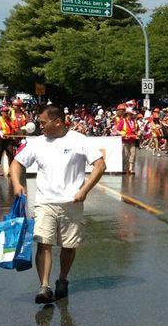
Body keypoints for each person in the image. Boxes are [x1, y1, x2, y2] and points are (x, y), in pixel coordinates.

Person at [12, 105, 106, 305]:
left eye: (43, 122)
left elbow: (100, 165)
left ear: (58, 122)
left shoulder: (78, 140)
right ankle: (44, 287)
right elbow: (17, 163)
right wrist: (17, 183)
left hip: (72, 203)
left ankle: (62, 279)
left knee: (68, 246)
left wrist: (84, 190)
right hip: (45, 202)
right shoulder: (37, 143)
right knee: (43, 243)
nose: (40, 126)